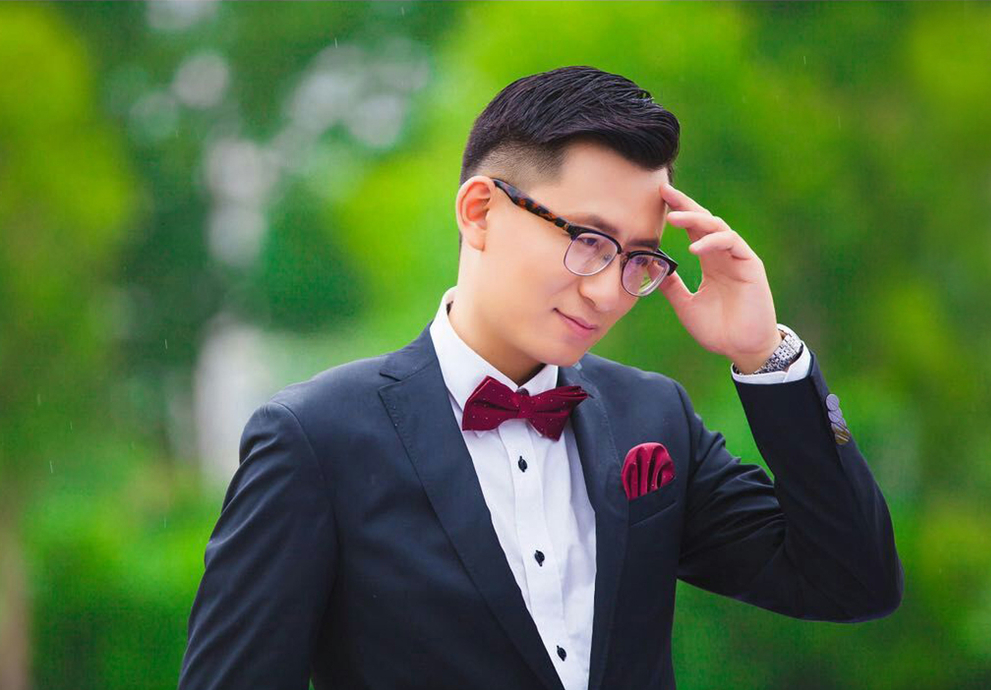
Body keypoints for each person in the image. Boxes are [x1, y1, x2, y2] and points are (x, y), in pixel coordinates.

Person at [178, 65, 902, 690]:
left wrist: (763, 354)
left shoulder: (652, 418)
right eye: (587, 240)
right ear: (480, 212)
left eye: (639, 259)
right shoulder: (316, 439)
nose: (609, 291)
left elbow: (852, 582)